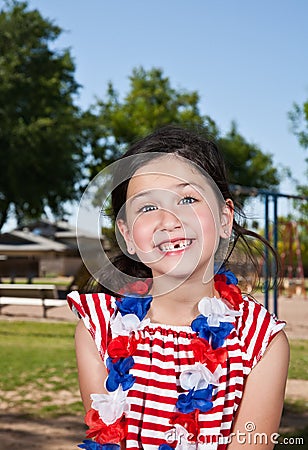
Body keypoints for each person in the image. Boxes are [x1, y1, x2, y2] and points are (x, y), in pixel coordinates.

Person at [67, 126, 289, 450]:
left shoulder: (261, 342)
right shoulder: (98, 331)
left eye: (187, 198)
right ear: (127, 235)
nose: (169, 219)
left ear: (225, 218)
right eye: (147, 207)